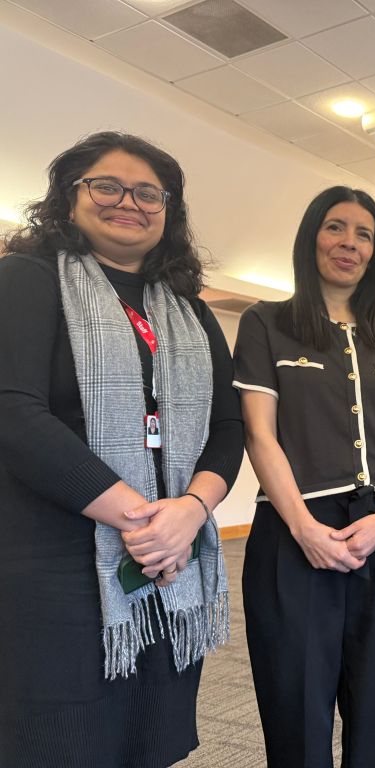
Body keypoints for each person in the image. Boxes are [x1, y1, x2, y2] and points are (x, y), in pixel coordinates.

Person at [0, 131, 243, 767]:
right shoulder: (26, 279)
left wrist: (190, 512)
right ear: (68, 197)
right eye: (106, 186)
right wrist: (144, 520)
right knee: (60, 743)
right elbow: (14, 413)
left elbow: (227, 427)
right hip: (58, 560)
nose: (128, 202)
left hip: (168, 559)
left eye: (147, 193)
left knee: (147, 738)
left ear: (169, 210)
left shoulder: (190, 311)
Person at [233, 186, 375, 767]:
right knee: (295, 706)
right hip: (295, 532)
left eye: (364, 234)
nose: (349, 243)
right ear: (311, 238)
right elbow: (259, 434)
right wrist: (303, 528)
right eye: (335, 228)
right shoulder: (266, 323)